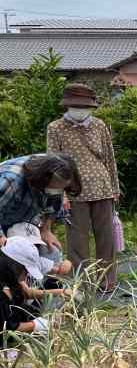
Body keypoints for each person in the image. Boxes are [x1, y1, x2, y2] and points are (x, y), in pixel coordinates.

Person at [47, 83, 121, 293]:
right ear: (67, 106)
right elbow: (53, 162)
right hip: (73, 190)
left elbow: (109, 158)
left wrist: (115, 187)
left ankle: (107, 281)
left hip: (102, 187)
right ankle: (82, 283)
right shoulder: (56, 128)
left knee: (105, 237)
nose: (80, 110)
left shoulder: (99, 125)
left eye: (84, 107)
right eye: (75, 106)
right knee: (77, 240)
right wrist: (59, 194)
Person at [0, 153, 82, 256]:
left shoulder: (59, 170)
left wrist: (45, 230)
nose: (58, 191)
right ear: (43, 179)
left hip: (21, 217)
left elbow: (54, 206)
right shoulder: (11, 180)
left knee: (51, 254)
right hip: (4, 210)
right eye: (55, 186)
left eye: (62, 188)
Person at [1, 237, 54, 339]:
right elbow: (6, 327)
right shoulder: (2, 289)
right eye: (26, 270)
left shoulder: (9, 279)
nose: (26, 275)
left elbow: (22, 299)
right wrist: (35, 325)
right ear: (15, 264)